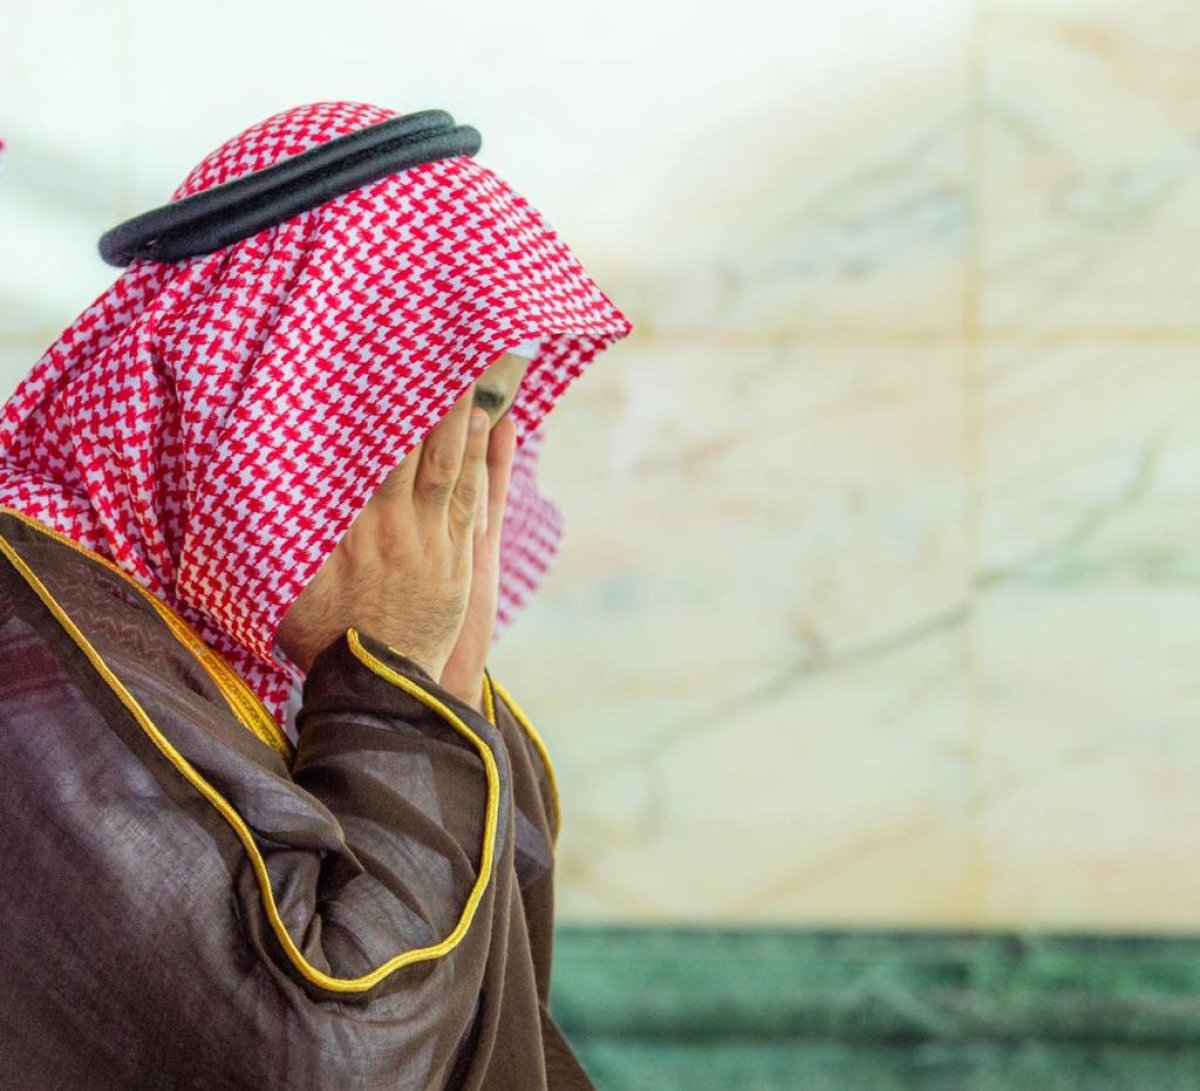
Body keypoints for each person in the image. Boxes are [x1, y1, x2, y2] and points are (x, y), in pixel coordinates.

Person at [0, 101, 632, 1089]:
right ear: (257, 399)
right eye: (414, 421)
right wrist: (401, 703)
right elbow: (324, 1056)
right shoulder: (29, 647)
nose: (452, 486)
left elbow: (489, 1024)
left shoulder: (252, 651)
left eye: (492, 414)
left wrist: (444, 697)